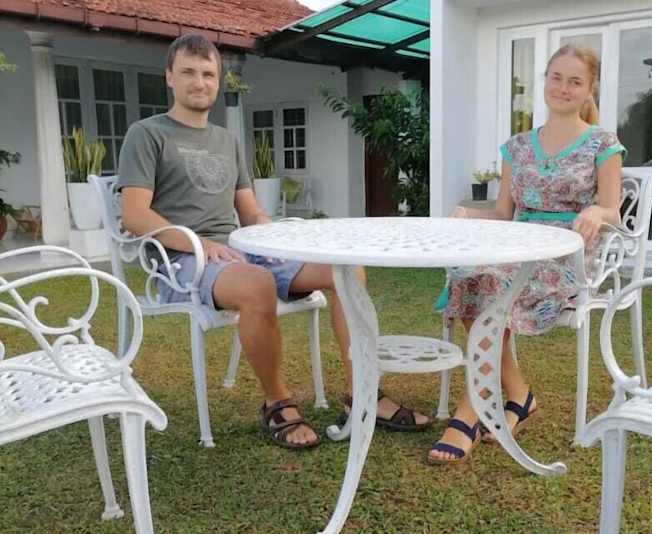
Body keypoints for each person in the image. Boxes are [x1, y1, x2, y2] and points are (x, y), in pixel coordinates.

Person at [117, 34, 430, 451]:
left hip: (235, 250)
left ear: (218, 80)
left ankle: (362, 394)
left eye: (208, 73)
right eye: (188, 72)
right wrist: (199, 244)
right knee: (257, 284)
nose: (199, 82)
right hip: (177, 259)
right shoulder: (147, 134)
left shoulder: (227, 141)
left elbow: (250, 213)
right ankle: (276, 402)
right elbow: (135, 214)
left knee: (346, 270)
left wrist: (282, 238)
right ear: (169, 77)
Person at [428, 45, 626, 465]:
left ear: (589, 89)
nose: (563, 88)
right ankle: (518, 394)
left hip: (566, 255)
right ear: (545, 81)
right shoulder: (516, 147)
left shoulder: (603, 144)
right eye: (557, 78)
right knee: (470, 277)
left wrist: (596, 211)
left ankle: (471, 409)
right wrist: (468, 213)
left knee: (494, 285)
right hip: (516, 246)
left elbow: (612, 209)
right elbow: (503, 213)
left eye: (575, 81)